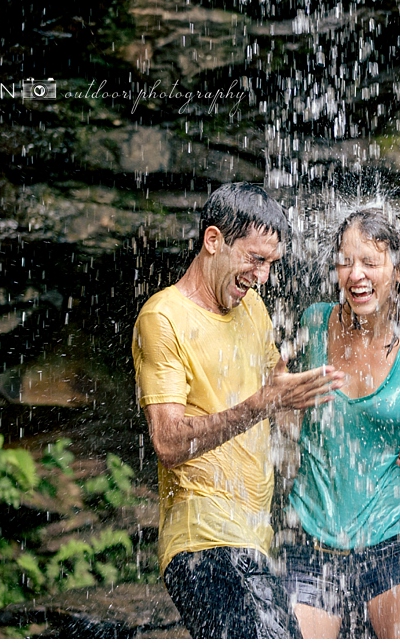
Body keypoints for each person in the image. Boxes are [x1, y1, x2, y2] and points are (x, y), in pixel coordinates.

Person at [131, 182, 345, 638]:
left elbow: (278, 405)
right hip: (203, 543)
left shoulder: (253, 310)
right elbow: (167, 442)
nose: (263, 276)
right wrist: (260, 404)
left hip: (252, 541)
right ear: (213, 241)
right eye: (255, 259)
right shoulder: (163, 318)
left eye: (271, 264)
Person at [283, 207, 400, 639]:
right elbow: (281, 419)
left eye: (370, 261)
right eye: (346, 261)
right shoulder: (314, 323)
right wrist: (274, 400)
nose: (355, 274)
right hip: (313, 540)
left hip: (394, 541)